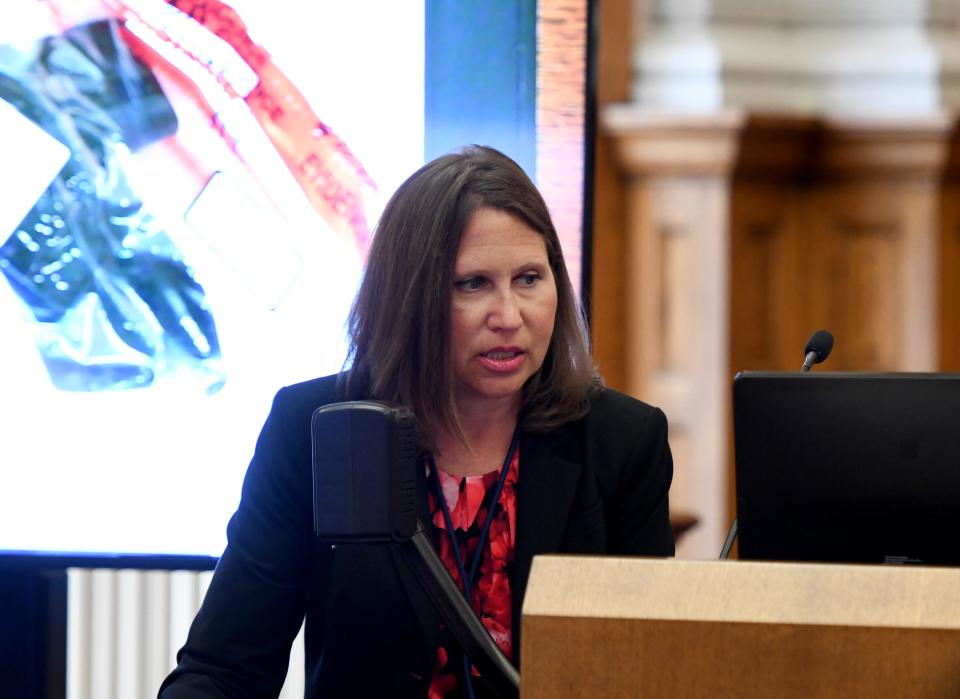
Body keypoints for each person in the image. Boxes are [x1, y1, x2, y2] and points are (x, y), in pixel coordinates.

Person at [158, 145, 674, 699]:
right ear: (411, 297)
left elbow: (646, 674)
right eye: (471, 284)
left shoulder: (622, 440)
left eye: (529, 278)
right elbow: (225, 668)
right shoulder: (313, 427)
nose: (509, 316)